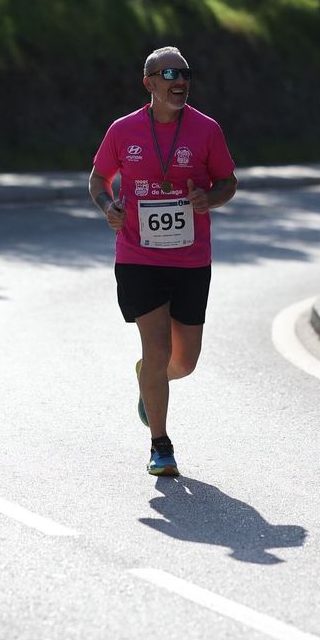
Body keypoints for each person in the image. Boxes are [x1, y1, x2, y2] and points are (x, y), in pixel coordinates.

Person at [89, 46, 238, 477]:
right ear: (149, 82)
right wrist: (107, 207)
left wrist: (208, 198)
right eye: (169, 73)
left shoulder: (207, 130)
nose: (181, 80)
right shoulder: (123, 130)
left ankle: (149, 380)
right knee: (156, 349)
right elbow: (99, 178)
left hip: (191, 259)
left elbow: (229, 181)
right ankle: (160, 444)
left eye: (186, 73)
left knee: (184, 362)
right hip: (138, 256)